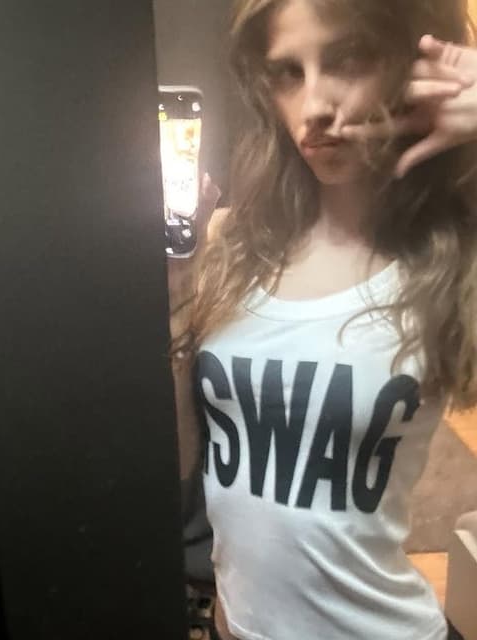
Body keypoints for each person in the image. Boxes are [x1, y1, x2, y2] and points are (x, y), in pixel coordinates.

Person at [170, 1, 477, 639]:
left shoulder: (451, 266)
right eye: (288, 72)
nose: (312, 106)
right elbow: (185, 466)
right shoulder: (233, 248)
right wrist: (174, 297)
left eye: (348, 58)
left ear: (413, 61)